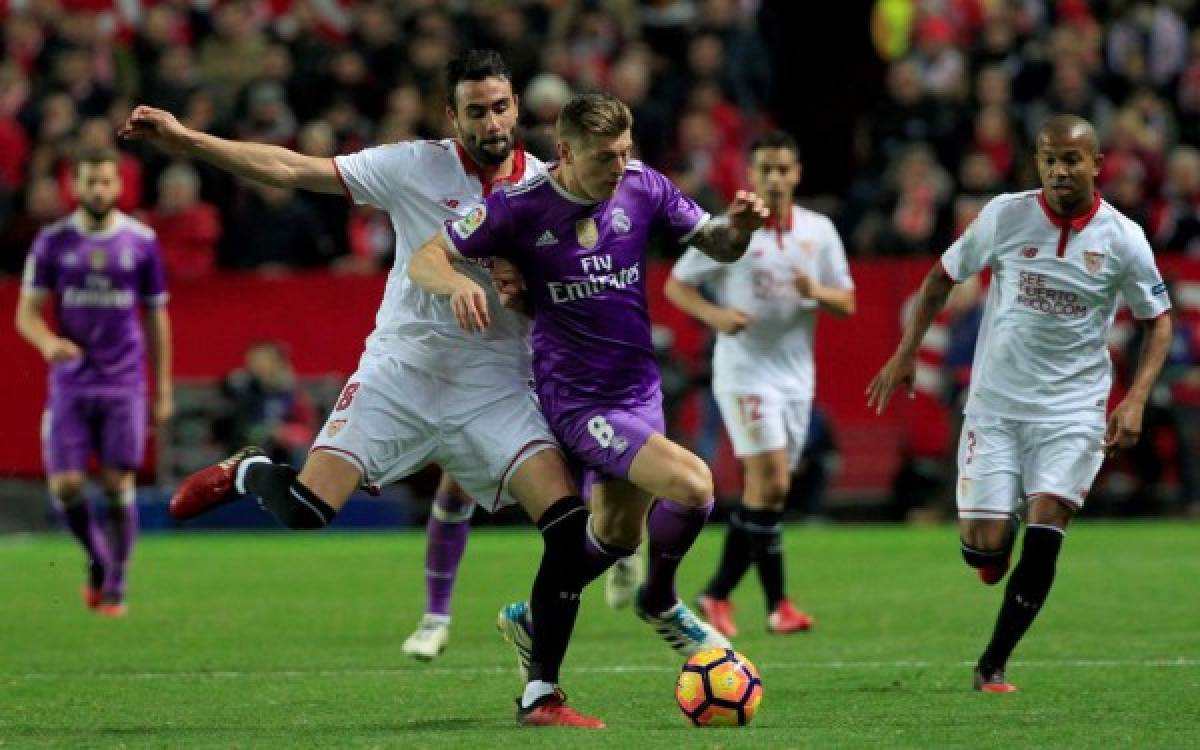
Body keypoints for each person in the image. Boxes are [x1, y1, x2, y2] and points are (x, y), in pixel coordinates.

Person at [120, 51, 680, 729]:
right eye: (476, 110)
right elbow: (293, 168)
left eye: (501, 106)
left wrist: (527, 295)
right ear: (453, 115)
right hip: (401, 372)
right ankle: (250, 472)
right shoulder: (413, 164)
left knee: (566, 532)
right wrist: (186, 141)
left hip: (494, 386)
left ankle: (541, 695)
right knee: (305, 509)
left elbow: (569, 296)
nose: (493, 121)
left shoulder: (546, 188)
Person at [407, 92, 767, 718]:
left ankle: (531, 619)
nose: (619, 166)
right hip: (577, 398)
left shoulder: (642, 185)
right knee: (693, 485)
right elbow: (428, 255)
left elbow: (718, 241)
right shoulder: (517, 208)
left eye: (626, 152)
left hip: (639, 390)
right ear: (566, 152)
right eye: (605, 157)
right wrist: (463, 280)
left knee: (617, 537)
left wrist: (742, 226)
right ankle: (660, 602)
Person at [866, 114, 1173, 693]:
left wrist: (1134, 398)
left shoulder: (1123, 238)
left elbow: (1158, 320)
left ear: (1096, 164)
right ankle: (990, 551)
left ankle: (993, 664)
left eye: (1072, 159)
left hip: (1073, 411)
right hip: (997, 408)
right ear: (1037, 162)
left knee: (1047, 525)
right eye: (1049, 158)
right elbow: (940, 278)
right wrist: (906, 352)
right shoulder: (1007, 215)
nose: (1060, 169)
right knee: (981, 551)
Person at [665, 130, 855, 637]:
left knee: (773, 492)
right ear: (750, 176)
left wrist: (815, 290)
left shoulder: (819, 232)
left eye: (782, 169)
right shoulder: (729, 232)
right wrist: (716, 315)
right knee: (767, 479)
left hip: (796, 375)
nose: (774, 178)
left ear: (797, 174)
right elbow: (676, 284)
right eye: (764, 169)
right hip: (744, 370)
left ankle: (750, 598)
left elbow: (848, 302)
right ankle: (747, 597)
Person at [14, 148, 173, 617]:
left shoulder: (142, 241)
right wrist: (47, 342)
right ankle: (99, 561)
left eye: (106, 182)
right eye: (90, 182)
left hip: (124, 380)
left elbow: (157, 317)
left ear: (119, 186)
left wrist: (161, 388)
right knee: (65, 485)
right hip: (71, 381)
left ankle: (116, 585)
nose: (98, 190)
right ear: (75, 186)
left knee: (116, 480)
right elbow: (26, 313)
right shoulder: (52, 242)